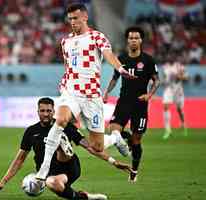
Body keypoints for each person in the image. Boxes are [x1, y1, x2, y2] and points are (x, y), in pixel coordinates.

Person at [36, 3, 136, 181]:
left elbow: (109, 55)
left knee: (97, 146)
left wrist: (120, 69)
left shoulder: (97, 37)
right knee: (60, 120)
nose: (72, 22)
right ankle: (44, 169)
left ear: (85, 17)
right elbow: (69, 66)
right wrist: (66, 83)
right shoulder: (65, 41)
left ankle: (115, 137)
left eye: (75, 18)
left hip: (91, 96)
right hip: (71, 91)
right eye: (70, 19)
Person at [0, 97, 132, 200]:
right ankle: (85, 197)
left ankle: (62, 146)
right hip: (48, 173)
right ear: (38, 111)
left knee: (59, 144)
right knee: (52, 183)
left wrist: (113, 162)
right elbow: (20, 159)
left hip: (69, 166)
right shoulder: (31, 131)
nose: (45, 114)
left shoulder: (64, 124)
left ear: (53, 111)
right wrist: (3, 182)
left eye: (48, 111)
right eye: (42, 111)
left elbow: (89, 147)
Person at [103, 26, 160, 183]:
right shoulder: (121, 58)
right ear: (127, 40)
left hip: (140, 105)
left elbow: (157, 80)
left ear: (141, 40)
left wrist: (149, 95)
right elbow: (115, 78)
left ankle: (134, 170)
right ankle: (124, 138)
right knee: (112, 129)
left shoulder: (148, 60)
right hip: (124, 102)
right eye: (130, 38)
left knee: (136, 141)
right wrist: (106, 92)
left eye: (136, 38)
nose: (133, 40)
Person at [162, 57, 188, 139]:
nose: (170, 58)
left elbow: (186, 77)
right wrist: (163, 81)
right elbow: (164, 77)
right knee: (165, 106)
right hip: (169, 89)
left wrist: (180, 77)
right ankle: (168, 130)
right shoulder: (165, 67)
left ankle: (183, 124)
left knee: (179, 109)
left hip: (178, 90)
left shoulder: (179, 66)